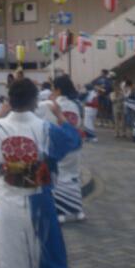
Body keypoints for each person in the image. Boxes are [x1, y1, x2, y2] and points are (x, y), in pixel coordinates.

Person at [0, 78, 81, 268]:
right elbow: (73, 140)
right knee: (47, 255)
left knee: (12, 256)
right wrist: (60, 116)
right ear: (34, 101)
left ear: (10, 101)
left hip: (7, 199)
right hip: (38, 198)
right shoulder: (45, 128)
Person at [51, 75, 85, 224]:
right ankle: (78, 211)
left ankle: (60, 212)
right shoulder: (76, 104)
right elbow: (79, 123)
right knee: (73, 176)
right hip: (75, 144)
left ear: (58, 89)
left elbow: (50, 124)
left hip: (59, 145)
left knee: (59, 176)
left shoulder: (54, 105)